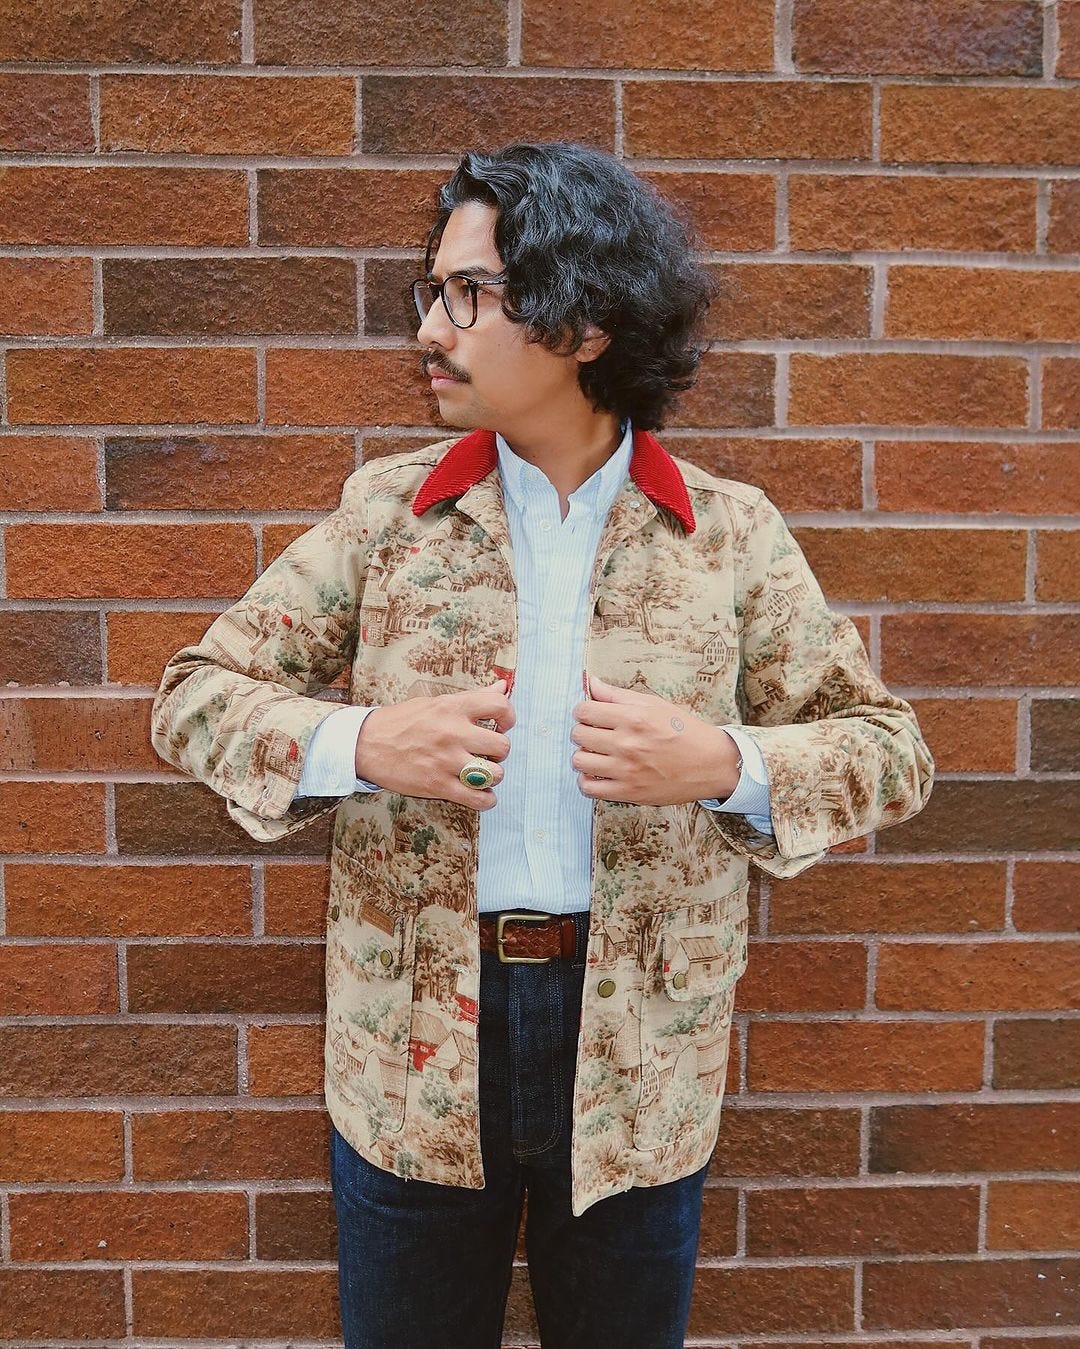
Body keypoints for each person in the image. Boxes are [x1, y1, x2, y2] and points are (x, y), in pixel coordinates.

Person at [151, 141, 934, 1349]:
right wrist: (364, 738)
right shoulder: (388, 517)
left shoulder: (726, 536)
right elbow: (196, 697)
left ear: (583, 323)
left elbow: (890, 748)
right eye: (433, 290)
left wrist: (728, 765)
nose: (433, 324)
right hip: (412, 1042)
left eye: (471, 292)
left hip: (642, 1057)